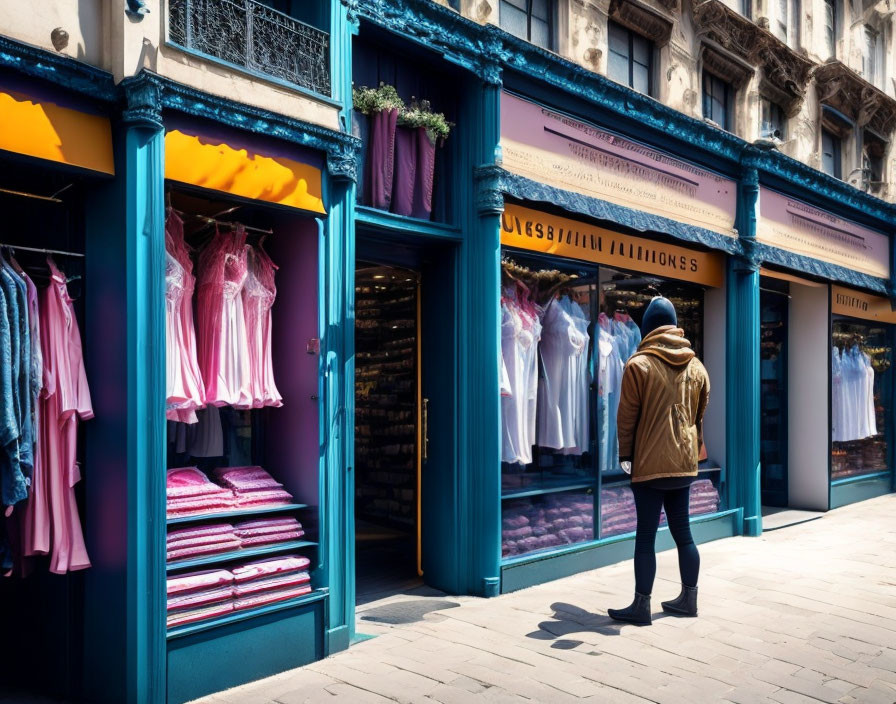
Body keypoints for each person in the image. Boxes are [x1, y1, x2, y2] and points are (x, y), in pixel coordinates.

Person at [607, 296, 709, 626]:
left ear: (648, 327)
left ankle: (641, 606)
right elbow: (699, 413)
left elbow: (627, 417)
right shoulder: (697, 367)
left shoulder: (638, 365)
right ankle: (689, 598)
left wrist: (626, 455)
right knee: (684, 533)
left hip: (650, 465)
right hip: (684, 462)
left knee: (646, 537)